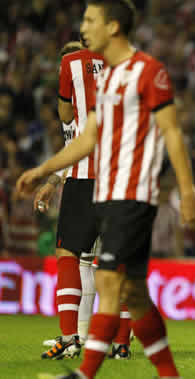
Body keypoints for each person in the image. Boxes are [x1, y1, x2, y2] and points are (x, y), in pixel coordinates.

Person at [19, 1, 195, 378]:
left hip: (131, 190)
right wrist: (45, 170)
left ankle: (88, 369)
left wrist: (187, 193)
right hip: (100, 188)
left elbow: (172, 132)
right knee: (124, 288)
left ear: (113, 26)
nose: (83, 27)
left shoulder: (150, 71)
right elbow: (88, 137)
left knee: (114, 280)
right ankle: (134, 371)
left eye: (90, 20)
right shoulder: (107, 78)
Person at [35, 39, 104, 360]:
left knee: (73, 254)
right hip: (120, 177)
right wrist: (51, 181)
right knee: (98, 261)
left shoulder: (75, 78)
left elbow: (70, 137)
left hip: (85, 177)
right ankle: (97, 337)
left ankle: (72, 337)